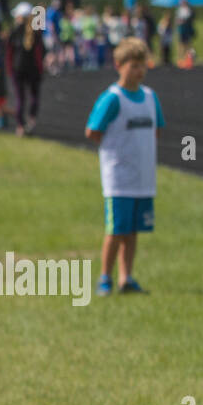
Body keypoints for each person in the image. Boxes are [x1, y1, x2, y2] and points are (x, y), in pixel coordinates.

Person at [85, 37, 162, 295]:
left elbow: (157, 130)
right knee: (116, 230)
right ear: (119, 65)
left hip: (143, 178)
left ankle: (126, 278)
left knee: (132, 231)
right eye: (133, 65)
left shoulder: (151, 97)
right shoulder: (112, 98)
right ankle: (104, 277)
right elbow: (93, 131)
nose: (139, 71)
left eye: (143, 66)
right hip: (119, 178)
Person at [8, 2, 46, 135]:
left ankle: (20, 125)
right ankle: (31, 121)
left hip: (18, 69)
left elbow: (9, 53)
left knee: (20, 98)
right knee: (33, 97)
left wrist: (10, 69)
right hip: (33, 70)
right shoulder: (36, 32)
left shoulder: (15, 32)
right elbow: (41, 53)